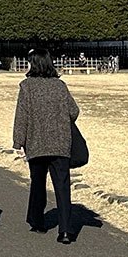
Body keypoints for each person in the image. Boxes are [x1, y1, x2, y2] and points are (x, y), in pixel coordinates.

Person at [12, 50, 81, 244]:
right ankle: (66, 230)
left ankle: (37, 221)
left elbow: (22, 116)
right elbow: (74, 111)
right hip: (60, 143)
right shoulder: (60, 86)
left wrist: (18, 141)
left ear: (33, 64)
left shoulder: (26, 87)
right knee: (62, 186)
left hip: (36, 142)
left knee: (38, 183)